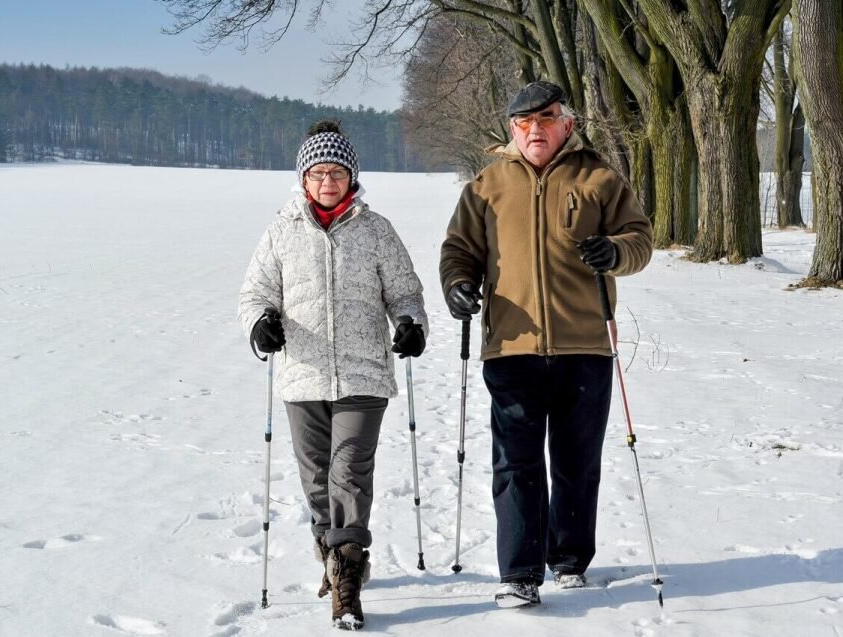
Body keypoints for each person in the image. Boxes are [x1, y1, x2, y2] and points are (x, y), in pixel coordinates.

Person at [439, 81, 653, 607]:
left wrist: (616, 252)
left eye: (547, 119)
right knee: (515, 462)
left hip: (586, 344)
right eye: (525, 122)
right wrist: (458, 286)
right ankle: (519, 573)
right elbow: (458, 250)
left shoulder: (600, 178)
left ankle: (569, 559)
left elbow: (640, 239)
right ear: (512, 129)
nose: (536, 130)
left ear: (568, 124)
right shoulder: (485, 186)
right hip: (511, 347)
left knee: (576, 460)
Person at [239, 120, 428, 630]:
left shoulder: (376, 229)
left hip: (364, 375)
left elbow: (406, 293)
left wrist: (411, 325)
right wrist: (261, 325)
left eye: (337, 172)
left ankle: (347, 581)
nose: (328, 181)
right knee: (317, 478)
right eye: (319, 172)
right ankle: (332, 551)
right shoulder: (281, 232)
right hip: (303, 375)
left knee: (349, 471)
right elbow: (255, 294)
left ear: (352, 177)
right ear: (303, 180)